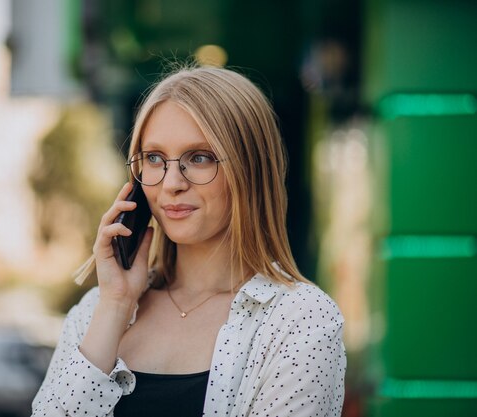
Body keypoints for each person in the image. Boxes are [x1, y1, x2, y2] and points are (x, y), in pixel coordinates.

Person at [31, 65, 346, 417]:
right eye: (154, 158)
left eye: (199, 157)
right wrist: (116, 306)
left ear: (250, 171)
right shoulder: (95, 311)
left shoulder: (299, 321)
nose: (171, 183)